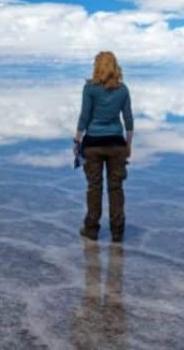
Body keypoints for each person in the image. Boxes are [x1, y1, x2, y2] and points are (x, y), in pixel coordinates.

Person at [74, 51, 133, 242]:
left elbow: (85, 116)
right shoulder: (123, 90)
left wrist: (77, 140)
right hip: (116, 143)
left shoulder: (90, 88)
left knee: (94, 188)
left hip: (93, 145)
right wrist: (128, 145)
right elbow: (129, 120)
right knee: (116, 189)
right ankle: (117, 231)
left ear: (97, 66)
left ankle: (92, 228)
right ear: (115, 66)